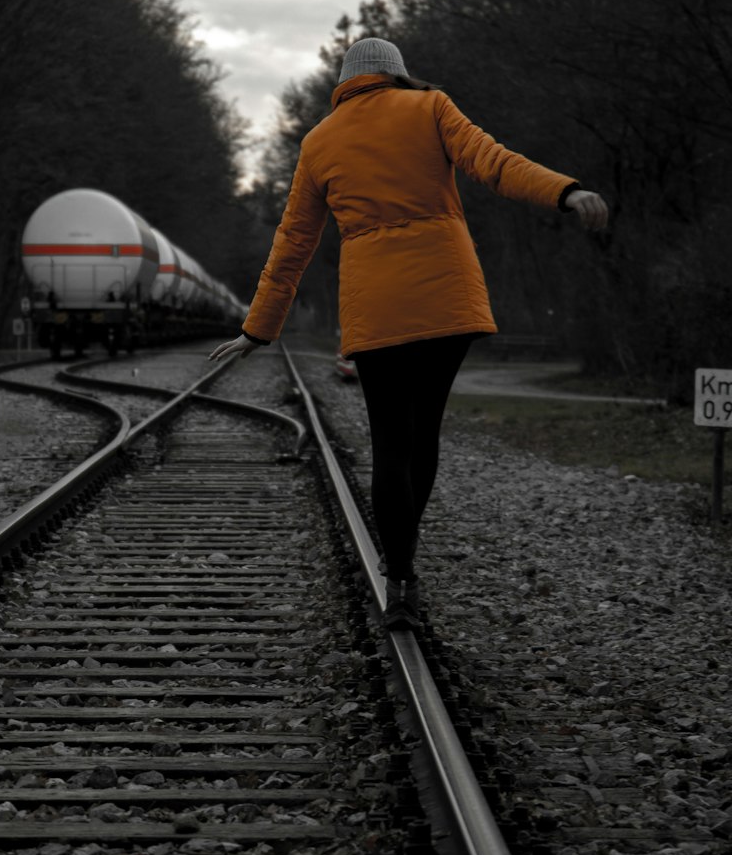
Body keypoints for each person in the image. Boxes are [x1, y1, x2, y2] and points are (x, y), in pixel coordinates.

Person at [209, 36, 608, 630]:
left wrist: (258, 330)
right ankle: (402, 557)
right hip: (446, 295)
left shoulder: (320, 141)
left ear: (344, 84)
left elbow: (293, 243)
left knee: (392, 443)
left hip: (378, 310)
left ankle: (399, 581)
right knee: (425, 438)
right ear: (398, 75)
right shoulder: (430, 108)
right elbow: (493, 162)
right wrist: (564, 190)